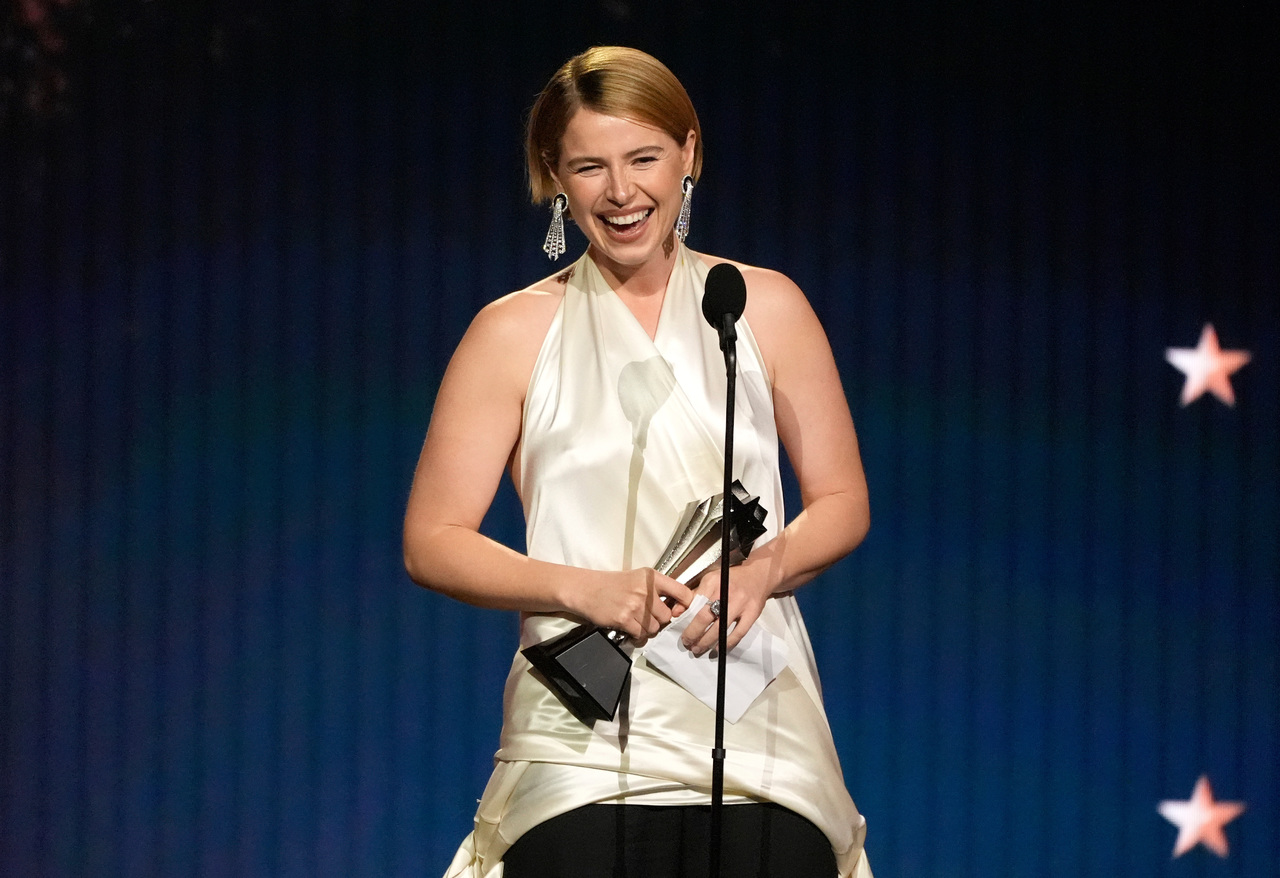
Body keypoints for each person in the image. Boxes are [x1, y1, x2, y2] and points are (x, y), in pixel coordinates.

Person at [403, 46, 873, 878]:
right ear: (555, 175)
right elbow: (433, 540)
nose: (621, 192)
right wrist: (580, 588)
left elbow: (841, 500)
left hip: (755, 728)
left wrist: (763, 572)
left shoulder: (762, 306)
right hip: (581, 742)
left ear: (688, 153)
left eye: (644, 158)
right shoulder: (511, 332)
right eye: (590, 167)